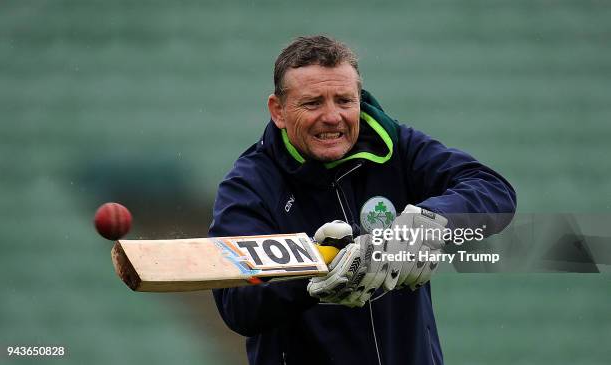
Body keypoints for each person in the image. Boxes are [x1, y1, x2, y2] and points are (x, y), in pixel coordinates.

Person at [210, 35, 516, 365]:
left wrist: (423, 226)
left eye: (344, 101)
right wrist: (313, 280)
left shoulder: (396, 146)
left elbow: (494, 192)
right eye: (313, 103)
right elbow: (237, 304)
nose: (332, 116)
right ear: (278, 111)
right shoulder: (250, 184)